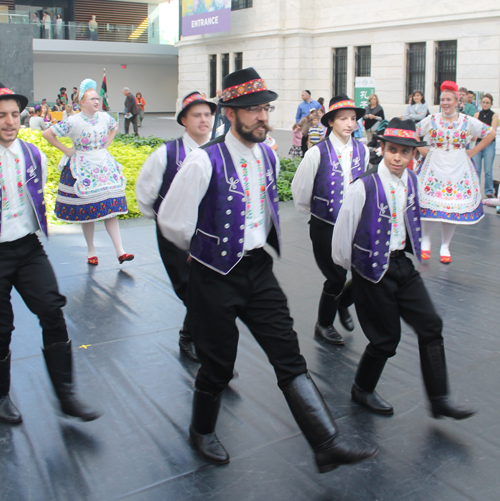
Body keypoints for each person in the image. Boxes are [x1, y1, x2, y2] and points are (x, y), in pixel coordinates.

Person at [158, 67, 377, 473]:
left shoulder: (266, 156)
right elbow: (171, 221)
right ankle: (201, 429)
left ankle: (326, 443)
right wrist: (206, 249)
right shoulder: (204, 163)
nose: (262, 116)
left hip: (258, 271)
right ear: (230, 113)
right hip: (214, 275)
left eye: (265, 107)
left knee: (288, 356)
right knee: (219, 365)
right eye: (252, 109)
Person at [332, 117, 476, 421]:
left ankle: (439, 399)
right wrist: (357, 271)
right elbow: (342, 236)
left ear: (414, 155)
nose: (398, 157)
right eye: (393, 150)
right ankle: (362, 388)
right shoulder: (364, 186)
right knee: (386, 339)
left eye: (405, 152)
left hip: (401, 264)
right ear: (382, 148)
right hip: (372, 269)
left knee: (430, 325)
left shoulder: (412, 180)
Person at [0, 83, 101, 424]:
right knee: (1, 329)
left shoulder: (33, 155)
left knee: (53, 311)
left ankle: (66, 394)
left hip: (28, 248)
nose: (9, 122)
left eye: (14, 114)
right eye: (1, 115)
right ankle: (1, 397)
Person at [136, 92, 216, 361]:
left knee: (209, 290)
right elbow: (146, 193)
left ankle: (190, 335)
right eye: (197, 114)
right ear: (183, 120)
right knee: (189, 290)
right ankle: (191, 338)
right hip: (174, 236)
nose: (204, 120)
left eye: (207, 114)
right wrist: (164, 222)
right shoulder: (166, 154)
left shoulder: (220, 152)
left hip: (210, 235)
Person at [292, 95, 369, 346]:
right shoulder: (317, 153)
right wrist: (313, 211)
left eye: (353, 118)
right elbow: (301, 187)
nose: (349, 123)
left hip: (354, 223)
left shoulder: (362, 149)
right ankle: (323, 324)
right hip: (325, 224)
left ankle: (342, 304)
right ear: (331, 122)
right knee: (336, 277)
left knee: (363, 272)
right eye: (343, 118)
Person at [42, 78, 134, 266]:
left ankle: (120, 251)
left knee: (110, 209)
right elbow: (48, 133)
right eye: (91, 99)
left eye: (97, 99)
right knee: (87, 211)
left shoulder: (105, 117)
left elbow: (114, 127)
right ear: (82, 102)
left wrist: (106, 145)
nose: (96, 101)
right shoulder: (73, 121)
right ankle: (91, 250)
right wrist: (67, 150)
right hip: (82, 167)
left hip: (104, 166)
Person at [416, 81, 496, 263]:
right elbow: (416, 132)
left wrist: (474, 151)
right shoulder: (433, 119)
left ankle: (445, 245)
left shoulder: (466, 121)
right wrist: (422, 150)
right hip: (435, 166)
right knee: (429, 203)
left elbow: (490, 133)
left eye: (448, 99)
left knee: (450, 206)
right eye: (442, 99)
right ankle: (426, 240)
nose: (445, 103)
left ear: (457, 101)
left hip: (457, 168)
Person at [472, 93, 498, 198]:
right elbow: (474, 130)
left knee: (488, 170)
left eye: (487, 103)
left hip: (489, 144)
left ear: (491, 104)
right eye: (483, 102)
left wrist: (482, 134)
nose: (485, 104)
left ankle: (488, 191)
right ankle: (476, 190)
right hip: (478, 143)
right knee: (476, 169)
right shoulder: (477, 115)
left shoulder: (494, 115)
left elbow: (493, 131)